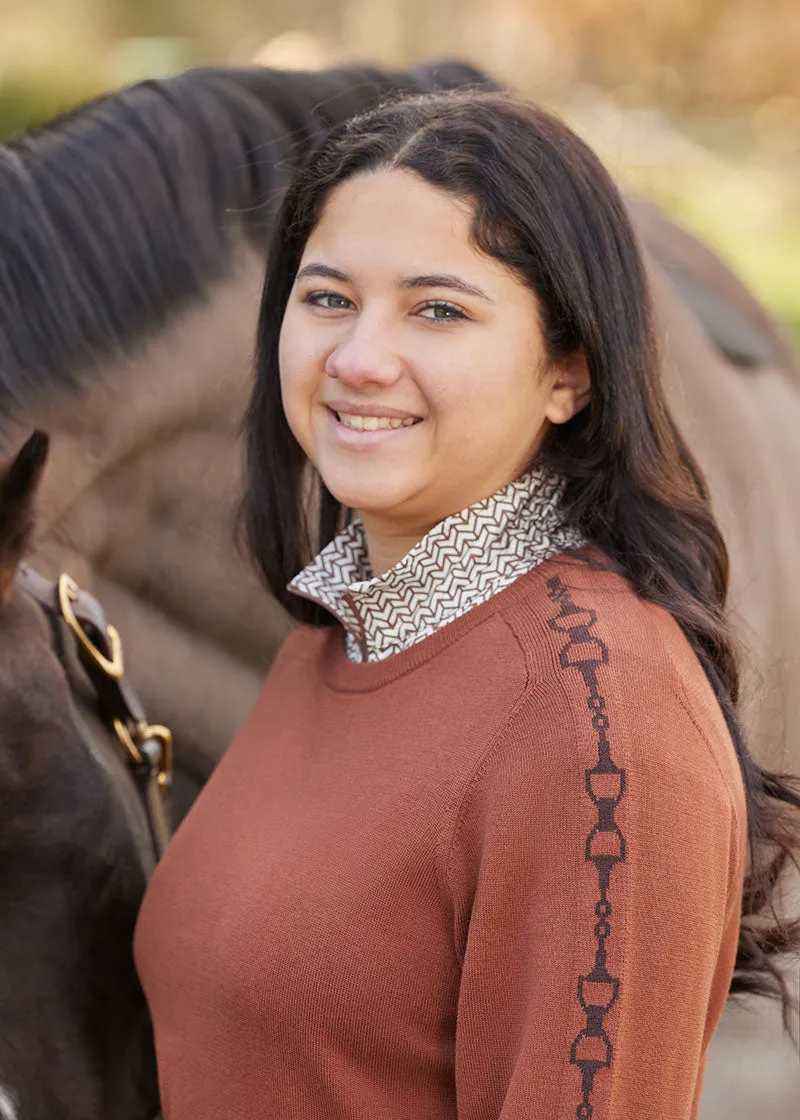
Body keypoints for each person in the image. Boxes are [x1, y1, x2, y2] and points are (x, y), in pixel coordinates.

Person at [133, 89, 800, 1119]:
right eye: (326, 298)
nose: (357, 358)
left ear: (567, 371)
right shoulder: (328, 645)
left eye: (437, 309)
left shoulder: (600, 724)